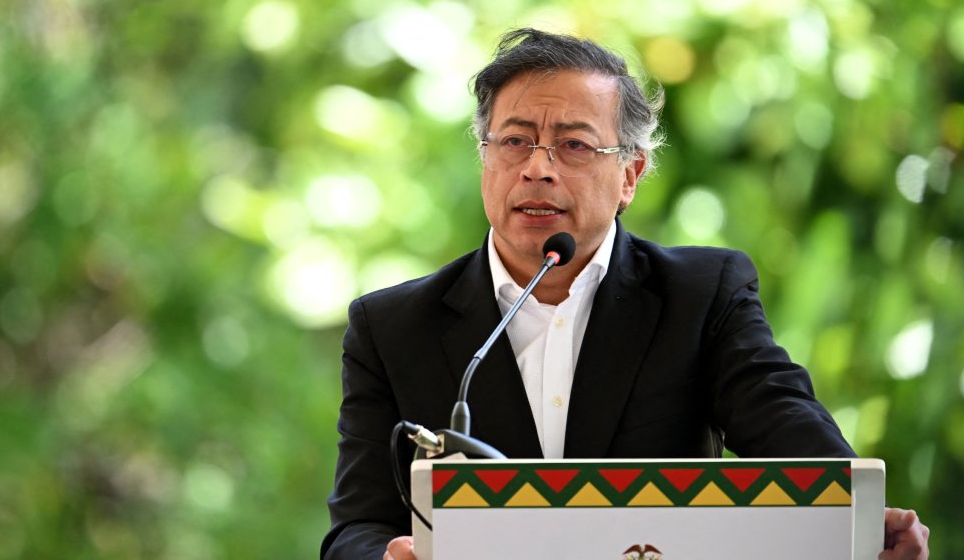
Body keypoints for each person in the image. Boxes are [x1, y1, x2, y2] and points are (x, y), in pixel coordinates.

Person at [322, 28, 930, 560]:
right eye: (514, 141)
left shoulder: (701, 296)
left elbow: (783, 424)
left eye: (574, 145)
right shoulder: (393, 326)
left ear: (631, 175)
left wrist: (859, 517)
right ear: (485, 157)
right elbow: (358, 525)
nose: (538, 168)